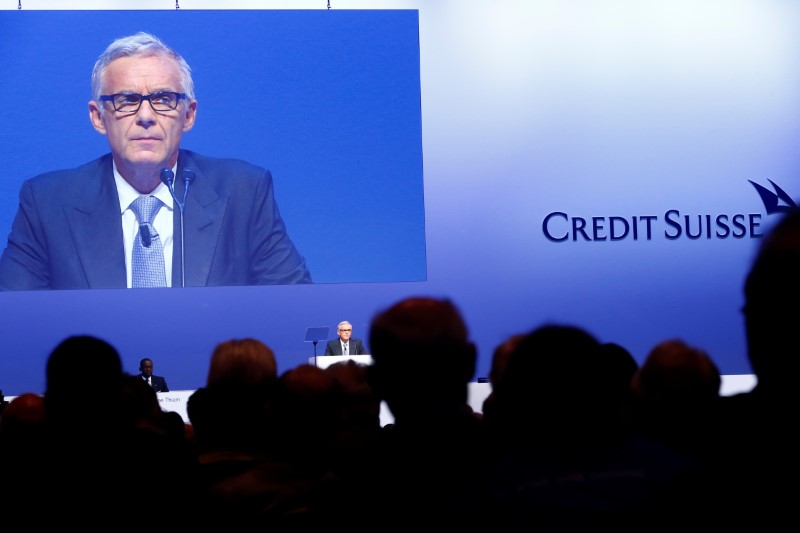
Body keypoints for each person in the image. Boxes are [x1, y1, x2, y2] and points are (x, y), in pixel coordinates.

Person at [0, 31, 311, 290]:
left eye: (164, 100)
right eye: (126, 100)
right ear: (98, 117)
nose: (146, 117)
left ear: (188, 115)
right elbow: (14, 321)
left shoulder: (244, 192)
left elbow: (294, 306)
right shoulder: (47, 203)